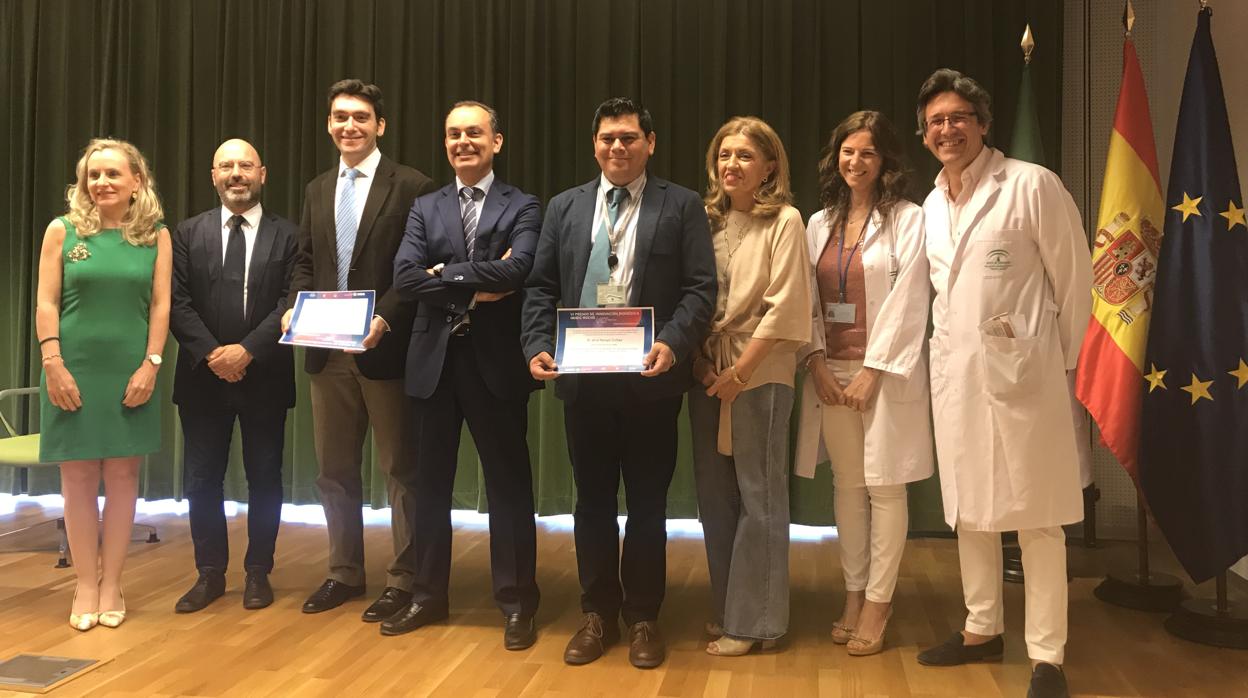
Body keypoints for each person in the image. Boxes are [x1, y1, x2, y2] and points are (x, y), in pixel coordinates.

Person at [912, 69, 1091, 698]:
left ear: (983, 123)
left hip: (1027, 379)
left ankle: (1047, 656)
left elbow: (1074, 285)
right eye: (936, 121)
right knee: (970, 512)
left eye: (959, 116)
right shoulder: (933, 203)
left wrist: (1060, 367)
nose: (947, 129)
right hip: (957, 377)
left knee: (1037, 517)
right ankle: (981, 627)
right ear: (925, 133)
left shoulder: (1031, 185)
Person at [521, 97, 716, 668]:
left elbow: (699, 290)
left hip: (650, 379)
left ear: (650, 143)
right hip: (583, 382)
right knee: (592, 503)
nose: (617, 147)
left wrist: (673, 343)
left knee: (650, 504)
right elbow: (539, 286)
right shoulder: (566, 207)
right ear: (595, 144)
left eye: (629, 137)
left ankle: (645, 618)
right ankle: (596, 613)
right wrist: (536, 343)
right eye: (607, 138)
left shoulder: (681, 205)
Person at [388, 101, 542, 648]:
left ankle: (518, 601)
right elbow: (405, 278)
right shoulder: (424, 206)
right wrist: (477, 283)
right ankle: (428, 595)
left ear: (496, 141)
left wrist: (446, 273)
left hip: (495, 364)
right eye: (453, 134)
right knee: (429, 487)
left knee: (508, 486)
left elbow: (518, 269)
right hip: (433, 363)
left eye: (474, 133)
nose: (463, 142)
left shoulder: (522, 204)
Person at [284, 79, 436, 619]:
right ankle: (343, 571)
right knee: (334, 470)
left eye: (361, 117)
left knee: (401, 469)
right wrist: (295, 305)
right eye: (340, 116)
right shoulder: (317, 187)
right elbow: (305, 259)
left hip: (384, 349)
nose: (349, 125)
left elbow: (413, 270)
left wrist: (384, 319)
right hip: (327, 353)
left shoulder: (413, 186)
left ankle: (405, 577)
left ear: (380, 126)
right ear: (329, 124)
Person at [793, 111, 933, 656]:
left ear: (886, 161)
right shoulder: (817, 222)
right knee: (848, 487)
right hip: (831, 373)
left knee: (886, 486)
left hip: (885, 374)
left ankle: (879, 601)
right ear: (837, 157)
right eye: (848, 152)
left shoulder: (908, 219)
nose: (856, 162)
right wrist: (817, 364)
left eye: (868, 153)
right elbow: (804, 297)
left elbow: (911, 298)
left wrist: (874, 370)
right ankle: (853, 594)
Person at [36, 138, 171, 630]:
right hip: (72, 368)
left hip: (131, 370)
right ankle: (84, 584)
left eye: (113, 174)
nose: (102, 183)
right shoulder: (63, 230)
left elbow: (161, 305)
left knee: (121, 478)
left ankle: (112, 582)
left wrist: (151, 364)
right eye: (94, 174)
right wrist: (52, 360)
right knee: (76, 479)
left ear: (137, 181)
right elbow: (47, 302)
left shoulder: (154, 235)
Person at [687, 116, 810, 656]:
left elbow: (785, 307)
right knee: (716, 500)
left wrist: (740, 373)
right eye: (723, 155)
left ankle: (757, 623)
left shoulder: (785, 221)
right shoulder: (704, 221)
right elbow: (687, 298)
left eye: (743, 156)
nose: (731, 165)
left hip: (760, 375)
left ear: (770, 166)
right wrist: (700, 366)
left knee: (760, 497)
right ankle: (727, 607)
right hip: (706, 375)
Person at [169, 139, 298, 613]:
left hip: (264, 375)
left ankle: (259, 572)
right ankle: (209, 573)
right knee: (202, 479)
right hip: (202, 379)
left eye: (245, 165)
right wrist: (214, 356)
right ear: (213, 175)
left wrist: (246, 351)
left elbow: (291, 301)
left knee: (266, 477)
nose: (236, 173)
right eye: (227, 165)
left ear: (262, 174)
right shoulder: (186, 233)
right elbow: (176, 304)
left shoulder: (290, 236)